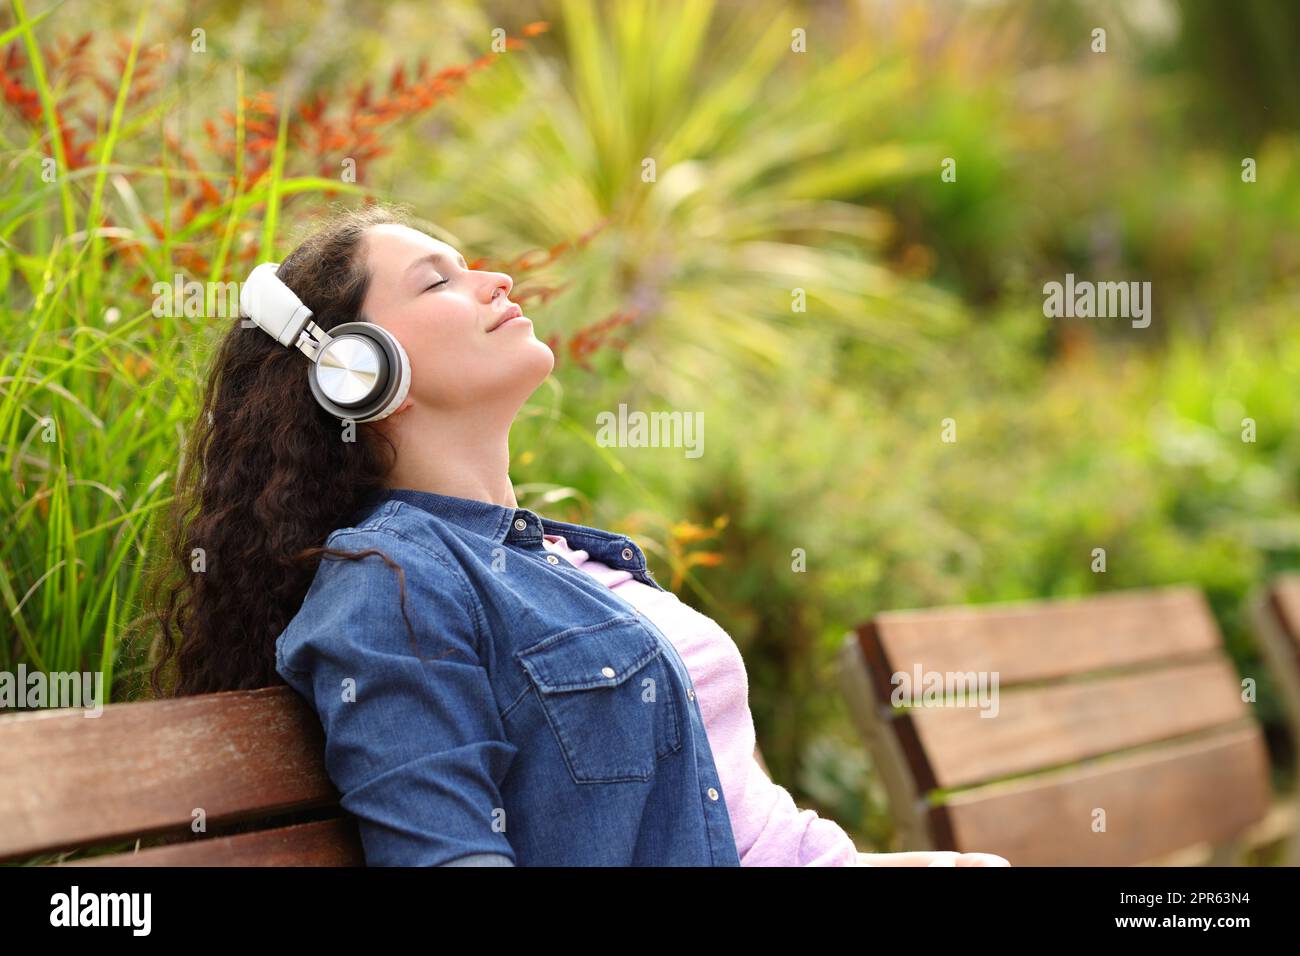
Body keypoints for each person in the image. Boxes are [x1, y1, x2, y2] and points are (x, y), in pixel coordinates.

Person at [141, 202, 1009, 867]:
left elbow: (752, 823)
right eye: (438, 281)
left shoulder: (566, 559)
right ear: (356, 371)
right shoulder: (393, 589)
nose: (496, 282)